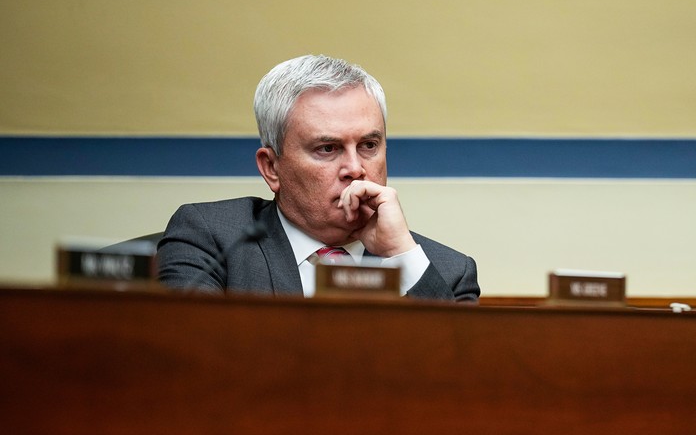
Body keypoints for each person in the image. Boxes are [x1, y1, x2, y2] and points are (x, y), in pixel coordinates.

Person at [157, 54, 480, 302]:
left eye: (368, 145)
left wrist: (400, 256)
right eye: (327, 148)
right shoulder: (214, 238)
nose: (355, 168)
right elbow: (189, 357)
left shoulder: (445, 270)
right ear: (271, 168)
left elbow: (463, 377)